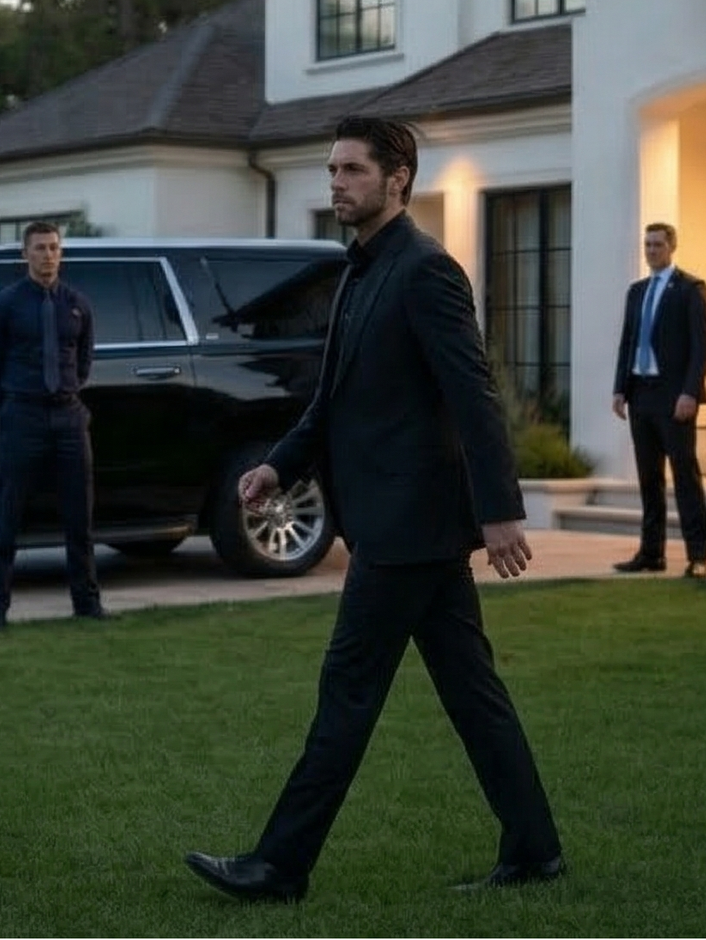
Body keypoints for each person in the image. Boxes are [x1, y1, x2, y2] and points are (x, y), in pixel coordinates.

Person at [182, 116, 566, 904]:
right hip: (397, 525)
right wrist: (276, 466)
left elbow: (474, 394)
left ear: (399, 179)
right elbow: (332, 402)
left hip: (408, 527)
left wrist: (499, 510)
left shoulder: (426, 270)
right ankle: (535, 848)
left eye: (352, 170)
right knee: (473, 694)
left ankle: (279, 864)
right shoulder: (360, 270)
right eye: (332, 171)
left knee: (347, 691)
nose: (336, 184)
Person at [0, 221, 108, 628]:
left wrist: (66, 393)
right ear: (24, 254)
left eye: (54, 248)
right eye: (39, 248)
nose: (48, 255)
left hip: (68, 415)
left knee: (79, 517)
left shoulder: (78, 304)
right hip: (22, 415)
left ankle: (86, 605)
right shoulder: (5, 305)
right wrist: (15, 402)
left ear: (61, 253)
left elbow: (83, 362)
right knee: (6, 516)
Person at [609, 221, 706, 579]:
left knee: (685, 476)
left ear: (672, 247)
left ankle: (697, 555)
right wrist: (619, 388)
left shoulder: (690, 289)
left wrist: (690, 391)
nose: (651, 250)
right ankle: (651, 553)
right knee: (649, 479)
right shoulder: (636, 291)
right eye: (647, 244)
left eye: (657, 245)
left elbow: (702, 347)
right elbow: (627, 342)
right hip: (641, 395)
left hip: (675, 398)